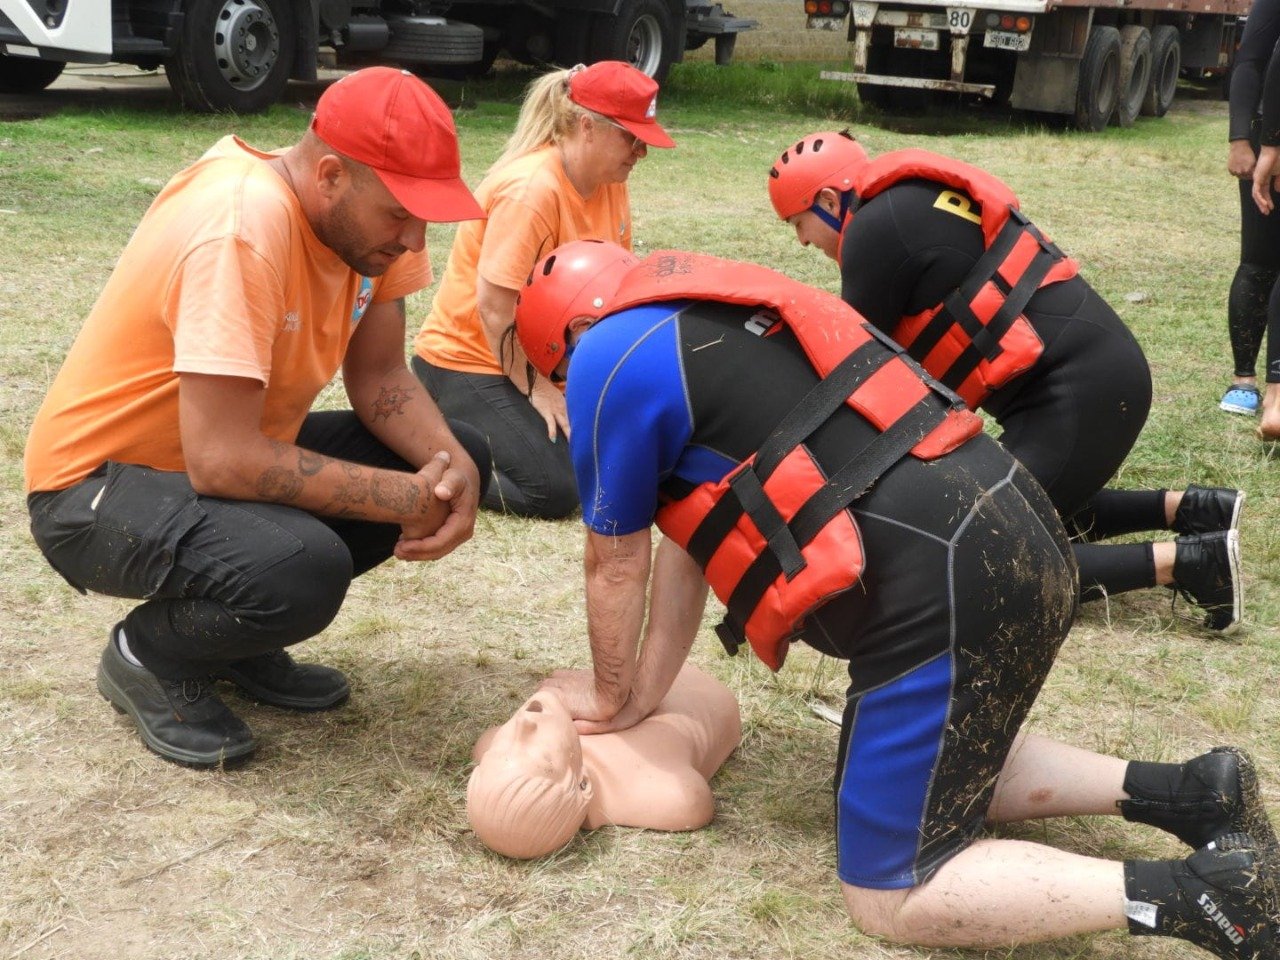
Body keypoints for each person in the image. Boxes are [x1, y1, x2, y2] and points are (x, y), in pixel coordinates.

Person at [508, 240, 1279, 958]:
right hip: (1015, 516)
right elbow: (689, 548)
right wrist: (639, 695)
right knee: (927, 765)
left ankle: (1202, 896)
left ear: (567, 340)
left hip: (943, 579)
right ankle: (1191, 792)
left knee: (891, 891)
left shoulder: (608, 354)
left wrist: (606, 695)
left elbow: (614, 565)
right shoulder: (705, 316)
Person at [23, 67, 491, 768]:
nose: (416, 241)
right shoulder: (242, 226)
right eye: (400, 214)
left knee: (452, 455)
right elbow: (224, 458)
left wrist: (453, 480)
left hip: (205, 462)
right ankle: (145, 653)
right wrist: (406, 499)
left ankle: (230, 639)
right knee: (302, 568)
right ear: (331, 174)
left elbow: (383, 377)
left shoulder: (359, 233)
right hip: (92, 492)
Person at [769, 131, 1244, 631]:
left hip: (1079, 393)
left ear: (827, 201)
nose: (802, 241)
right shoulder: (900, 206)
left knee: (970, 553)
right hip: (1095, 379)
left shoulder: (872, 231)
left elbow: (847, 369)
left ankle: (1192, 564)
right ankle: (1195, 510)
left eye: (798, 224)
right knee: (1016, 501)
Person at [410, 60, 674, 519]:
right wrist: (541, 392)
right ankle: (424, 453)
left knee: (635, 450)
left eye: (644, 140)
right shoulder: (531, 190)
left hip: (542, 360)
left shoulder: (610, 182)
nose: (640, 153)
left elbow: (616, 289)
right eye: (631, 138)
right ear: (588, 127)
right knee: (552, 489)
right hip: (469, 362)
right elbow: (494, 309)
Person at [466, 663, 741, 859]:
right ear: (582, 784)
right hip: (702, 694)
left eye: (502, 750)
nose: (524, 723)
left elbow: (486, 745)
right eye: (543, 756)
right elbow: (694, 803)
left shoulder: (492, 748)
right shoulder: (660, 790)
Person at [1224, 0, 1280, 420]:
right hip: (1269, 137)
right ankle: (1244, 380)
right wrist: (1241, 137)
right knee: (1260, 260)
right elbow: (1251, 63)